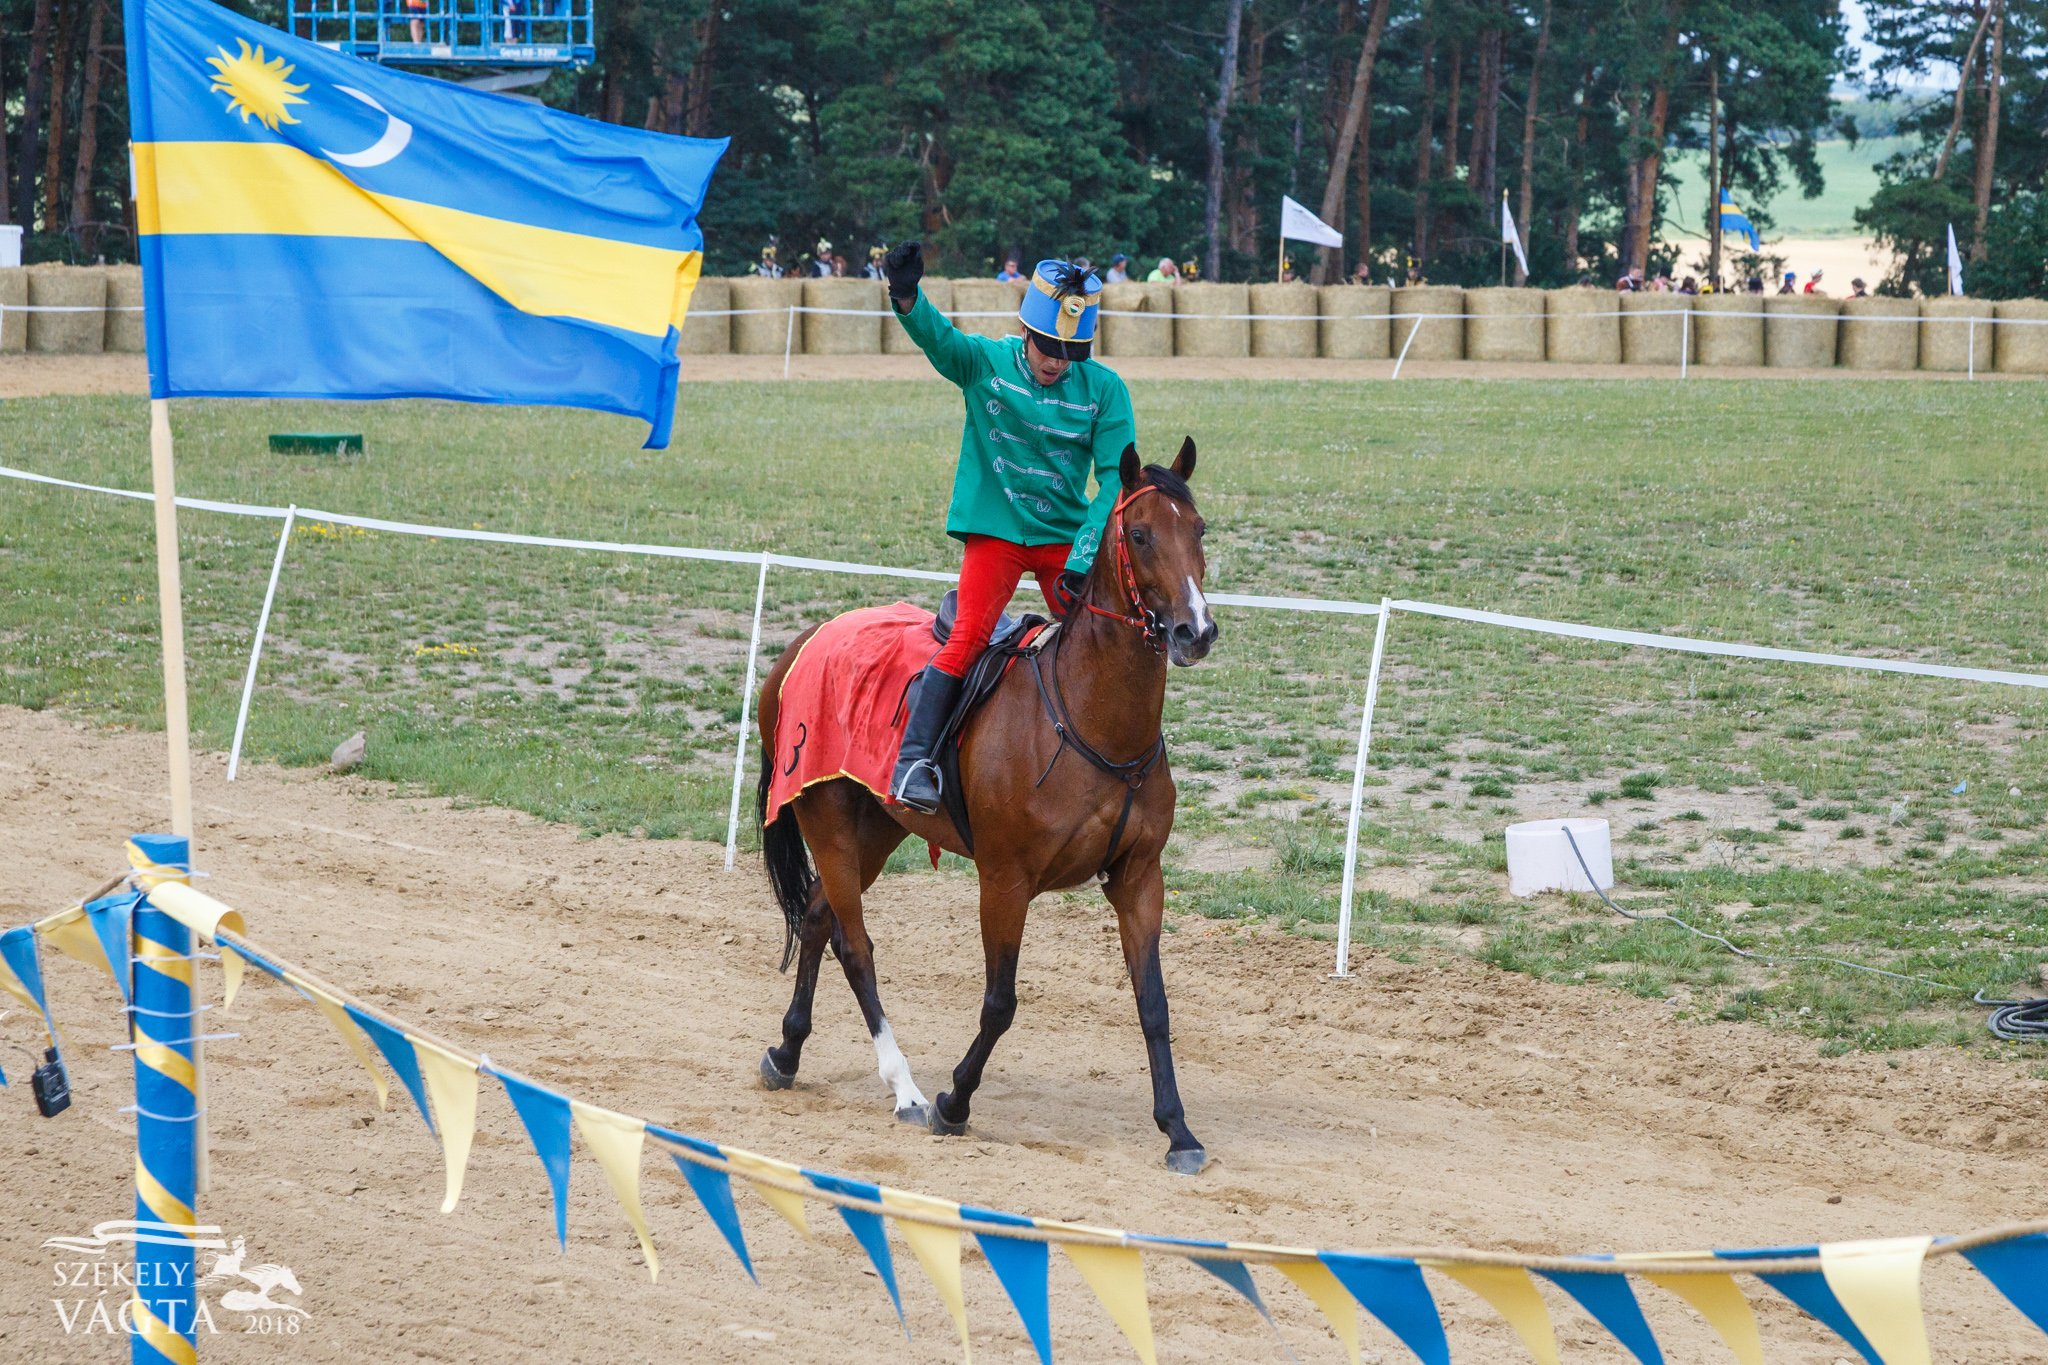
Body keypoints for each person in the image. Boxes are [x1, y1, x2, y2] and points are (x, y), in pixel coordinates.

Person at [879, 244, 1135, 813]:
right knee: (969, 635)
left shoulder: (1106, 390)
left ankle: (1113, 767)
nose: (1058, 360)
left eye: (1074, 349)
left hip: (1065, 538)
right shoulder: (985, 363)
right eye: (1049, 346)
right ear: (1025, 330)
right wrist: (906, 296)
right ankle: (914, 763)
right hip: (995, 531)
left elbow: (1118, 479)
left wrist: (1082, 556)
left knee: (1103, 636)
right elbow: (940, 342)